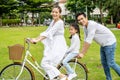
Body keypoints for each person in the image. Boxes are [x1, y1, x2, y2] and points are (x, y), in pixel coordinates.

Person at [76, 12, 120, 80]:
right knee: (104, 63)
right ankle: (109, 79)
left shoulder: (92, 24)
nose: (81, 21)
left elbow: (89, 40)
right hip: (103, 44)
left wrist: (83, 53)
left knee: (111, 63)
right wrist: (81, 52)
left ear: (86, 17)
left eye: (82, 18)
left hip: (110, 43)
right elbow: (85, 40)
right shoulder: (85, 27)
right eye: (79, 20)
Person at [28, 6, 67, 80]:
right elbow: (46, 32)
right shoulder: (53, 21)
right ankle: (55, 77)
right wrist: (35, 38)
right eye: (53, 12)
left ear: (59, 14)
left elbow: (49, 33)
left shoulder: (60, 22)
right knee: (50, 64)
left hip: (58, 45)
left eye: (56, 12)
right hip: (53, 44)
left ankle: (62, 76)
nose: (54, 14)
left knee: (44, 63)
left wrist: (37, 40)